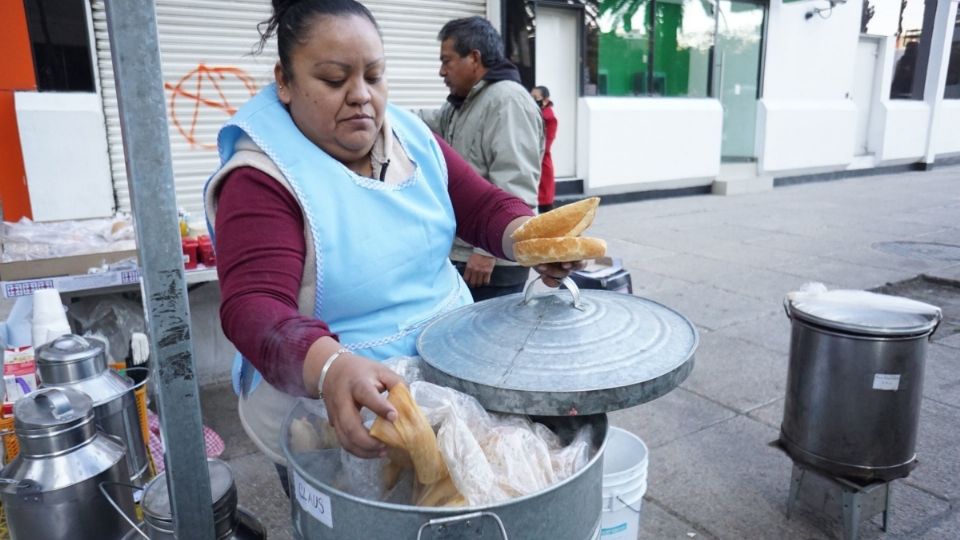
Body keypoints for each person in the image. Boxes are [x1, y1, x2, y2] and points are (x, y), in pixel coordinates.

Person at [203, 0, 582, 487]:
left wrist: (528, 237)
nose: (361, 96)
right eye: (335, 80)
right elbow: (255, 307)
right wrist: (331, 367)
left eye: (374, 76)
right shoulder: (262, 180)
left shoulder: (410, 136)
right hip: (333, 419)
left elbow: (482, 206)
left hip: (445, 384)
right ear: (284, 80)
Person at [417, 17, 545, 302]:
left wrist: (486, 252)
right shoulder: (462, 104)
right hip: (465, 252)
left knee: (489, 343)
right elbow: (423, 123)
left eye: (447, 60)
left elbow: (517, 182)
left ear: (474, 58)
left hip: (491, 262)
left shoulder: (507, 100)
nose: (441, 71)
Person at [531, 85, 558, 214]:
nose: (532, 100)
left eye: (535, 98)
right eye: (530, 97)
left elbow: (545, 147)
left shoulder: (550, 119)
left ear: (546, 100)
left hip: (542, 167)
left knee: (545, 208)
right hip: (534, 166)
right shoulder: (533, 114)